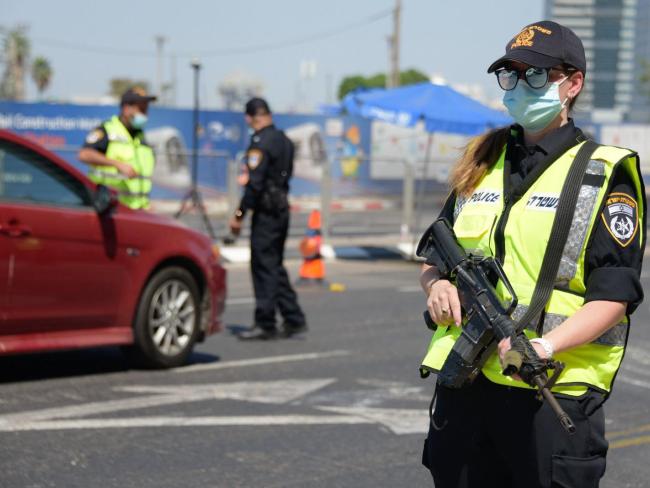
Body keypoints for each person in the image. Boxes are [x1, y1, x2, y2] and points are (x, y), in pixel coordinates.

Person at [419, 20, 645, 487]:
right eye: (512, 75)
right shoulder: (481, 161)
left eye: (536, 76)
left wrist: (544, 346)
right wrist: (436, 285)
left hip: (549, 391)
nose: (521, 86)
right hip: (464, 388)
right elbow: (435, 256)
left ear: (573, 83)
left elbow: (615, 295)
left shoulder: (603, 173)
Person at [230, 97, 307, 340]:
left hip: (266, 212)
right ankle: (293, 317)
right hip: (281, 209)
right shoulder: (284, 140)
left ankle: (265, 322)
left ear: (250, 117)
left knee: (263, 267)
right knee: (273, 264)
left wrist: (239, 215)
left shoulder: (260, 142)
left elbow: (255, 184)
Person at [78, 87, 157, 209]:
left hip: (140, 210)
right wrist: (117, 164)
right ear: (126, 108)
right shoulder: (108, 130)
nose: (144, 115)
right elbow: (84, 154)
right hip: (111, 209)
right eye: (141, 109)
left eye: (146, 110)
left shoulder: (141, 136)